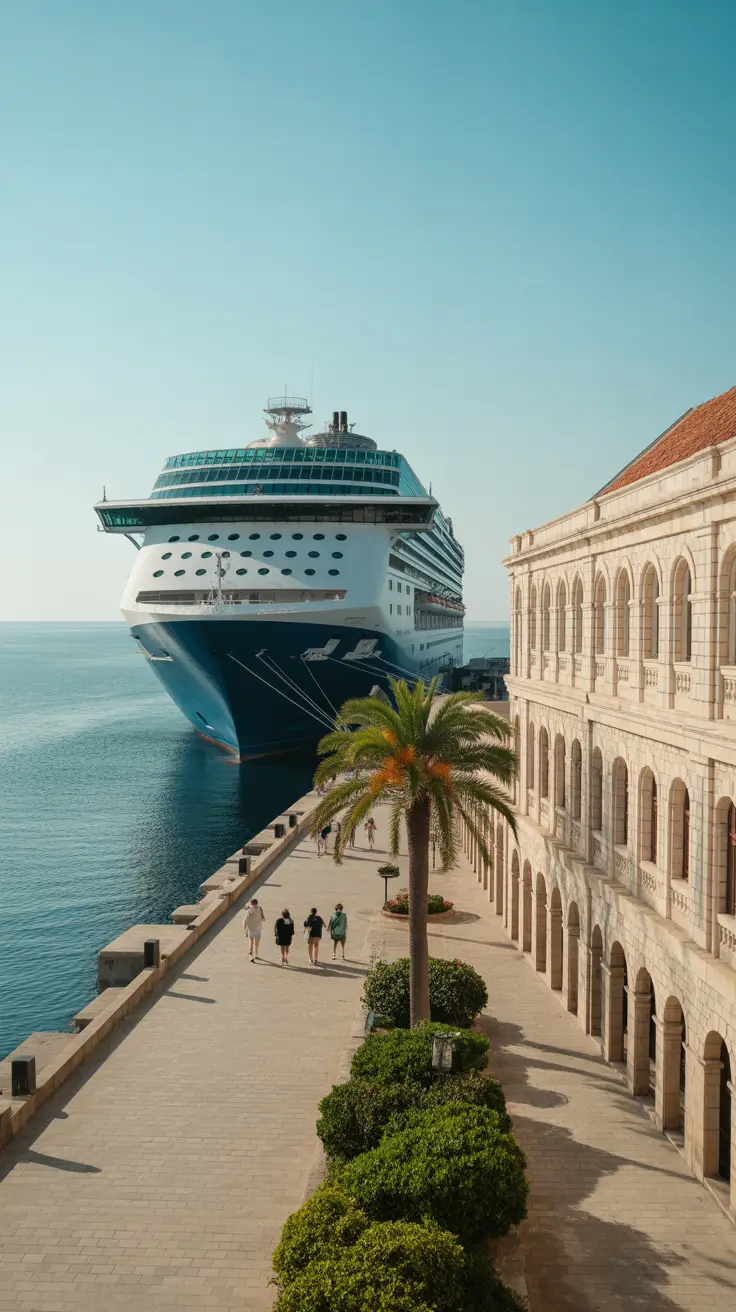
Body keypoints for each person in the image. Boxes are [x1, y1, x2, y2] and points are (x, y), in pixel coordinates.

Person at [243, 897, 265, 962]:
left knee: (251, 941)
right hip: (258, 927)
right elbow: (263, 918)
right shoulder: (260, 908)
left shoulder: (249, 909)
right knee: (257, 942)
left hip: (251, 928)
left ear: (251, 903)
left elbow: (245, 919)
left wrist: (245, 928)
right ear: (257, 903)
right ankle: (256, 954)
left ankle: (251, 955)